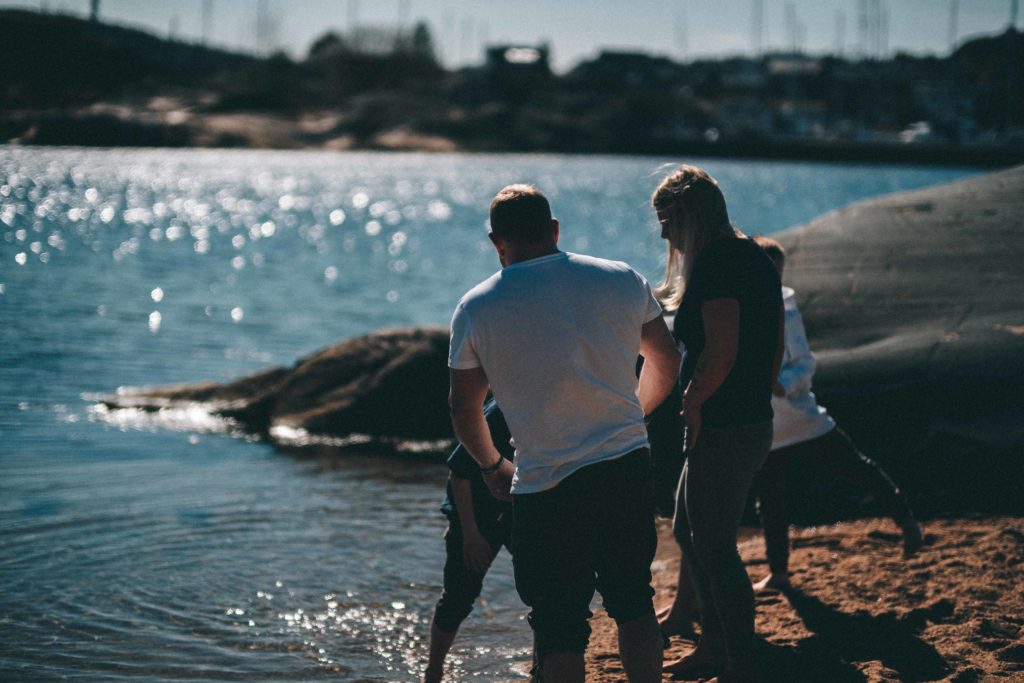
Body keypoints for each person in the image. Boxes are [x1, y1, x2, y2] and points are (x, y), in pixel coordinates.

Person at [447, 184, 681, 683]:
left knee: (558, 627)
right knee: (634, 602)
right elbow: (666, 359)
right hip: (626, 469)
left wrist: (491, 466)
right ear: (554, 230)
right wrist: (633, 418)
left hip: (545, 487)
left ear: (496, 242)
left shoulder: (477, 307)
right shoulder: (621, 278)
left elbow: (463, 409)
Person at [653, 165, 782, 683]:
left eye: (666, 220)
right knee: (690, 530)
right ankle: (713, 647)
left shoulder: (720, 263)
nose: (662, 232)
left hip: (724, 424)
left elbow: (721, 350)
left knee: (715, 546)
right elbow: (772, 348)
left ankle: (739, 662)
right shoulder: (749, 254)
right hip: (744, 418)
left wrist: (691, 403)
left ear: (688, 215)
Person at [749, 235, 924, 592]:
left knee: (852, 465)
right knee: (770, 500)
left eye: (776, 271)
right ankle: (779, 573)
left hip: (801, 416)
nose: (772, 277)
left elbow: (806, 363)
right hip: (765, 425)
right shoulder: (741, 304)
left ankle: (907, 521)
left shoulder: (785, 305)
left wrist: (784, 383)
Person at [424, 398, 516, 683]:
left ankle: (539, 669)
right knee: (459, 595)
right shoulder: (499, 413)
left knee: (543, 590)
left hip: (519, 510)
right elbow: (459, 473)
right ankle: (434, 670)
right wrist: (471, 536)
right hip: (474, 514)